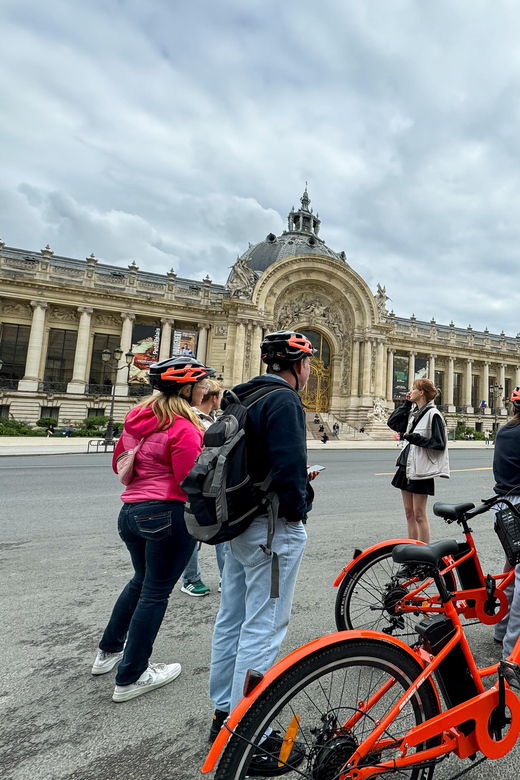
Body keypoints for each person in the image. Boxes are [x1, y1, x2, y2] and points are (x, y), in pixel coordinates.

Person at [208, 330, 319, 773]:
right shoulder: (284, 400)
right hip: (271, 528)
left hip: (237, 525)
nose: (309, 371)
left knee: (231, 619)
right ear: (299, 366)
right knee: (264, 625)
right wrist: (299, 510)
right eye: (308, 364)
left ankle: (224, 713)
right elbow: (290, 469)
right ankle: (250, 735)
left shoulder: (241, 396)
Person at [91, 357, 213, 702]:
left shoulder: (138, 418)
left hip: (131, 512)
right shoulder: (183, 426)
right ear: (186, 389)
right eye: (201, 384)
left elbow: (118, 463)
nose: (204, 389)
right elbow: (189, 479)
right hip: (166, 514)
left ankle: (108, 651)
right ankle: (131, 676)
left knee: (140, 581)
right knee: (155, 593)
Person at [387, 378, 449, 544]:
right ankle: (412, 548)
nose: (410, 391)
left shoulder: (434, 415)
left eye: (413, 389)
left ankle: (424, 553)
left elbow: (439, 444)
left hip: (421, 469)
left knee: (419, 515)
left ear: (421, 392)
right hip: (406, 466)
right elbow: (392, 423)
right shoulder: (413, 413)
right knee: (409, 513)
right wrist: (406, 404)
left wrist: (416, 439)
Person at [181, 378, 225, 596]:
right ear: (214, 397)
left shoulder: (215, 418)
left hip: (215, 484)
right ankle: (190, 578)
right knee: (191, 534)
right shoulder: (191, 419)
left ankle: (226, 577)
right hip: (197, 482)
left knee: (223, 531)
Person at [492, 387, 520, 657]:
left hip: (502, 507)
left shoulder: (504, 431)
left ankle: (501, 631)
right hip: (518, 508)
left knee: (512, 566)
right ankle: (512, 653)